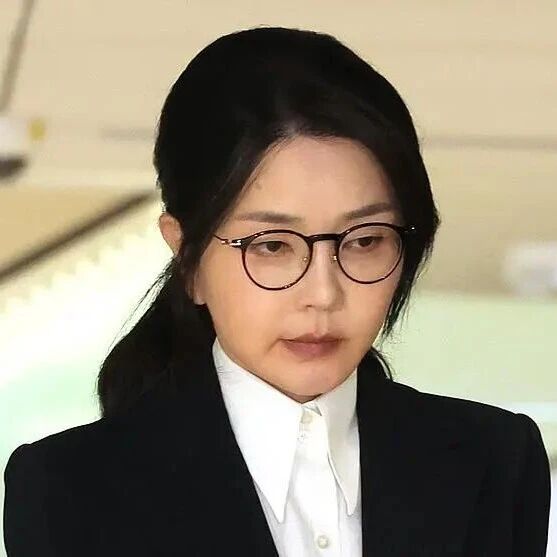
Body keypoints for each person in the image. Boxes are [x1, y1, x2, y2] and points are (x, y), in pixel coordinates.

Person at [3, 26, 551, 556]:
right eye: (271, 246)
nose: (323, 293)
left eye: (364, 240)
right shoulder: (69, 491)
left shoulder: (495, 462)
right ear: (188, 257)